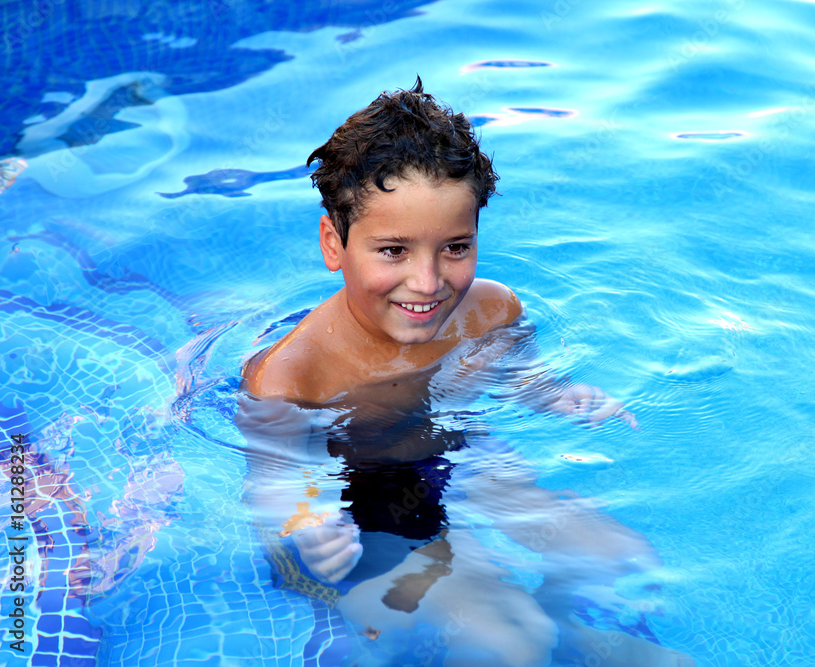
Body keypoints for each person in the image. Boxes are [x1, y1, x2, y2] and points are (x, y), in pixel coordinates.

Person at [237, 77, 692, 666]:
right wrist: (300, 522)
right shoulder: (291, 378)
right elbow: (270, 479)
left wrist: (555, 393)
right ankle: (538, 637)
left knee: (619, 562)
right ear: (334, 243)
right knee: (508, 641)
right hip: (368, 494)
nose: (428, 283)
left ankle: (571, 631)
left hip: (463, 450)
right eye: (393, 250)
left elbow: (518, 373)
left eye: (454, 247)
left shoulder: (490, 309)